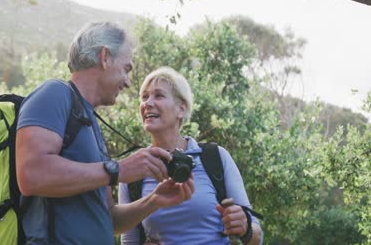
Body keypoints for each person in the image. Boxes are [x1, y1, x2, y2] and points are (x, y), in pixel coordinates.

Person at [15, 22, 195, 244]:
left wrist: (154, 201)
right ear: (105, 57)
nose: (128, 82)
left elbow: (110, 220)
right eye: (126, 69)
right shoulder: (53, 94)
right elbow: (31, 175)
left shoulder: (89, 124)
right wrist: (117, 170)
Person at [119, 67, 263, 245]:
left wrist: (246, 228)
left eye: (158, 95)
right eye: (144, 97)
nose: (147, 103)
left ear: (181, 108)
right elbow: (128, 240)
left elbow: (257, 238)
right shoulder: (134, 169)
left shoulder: (215, 157)